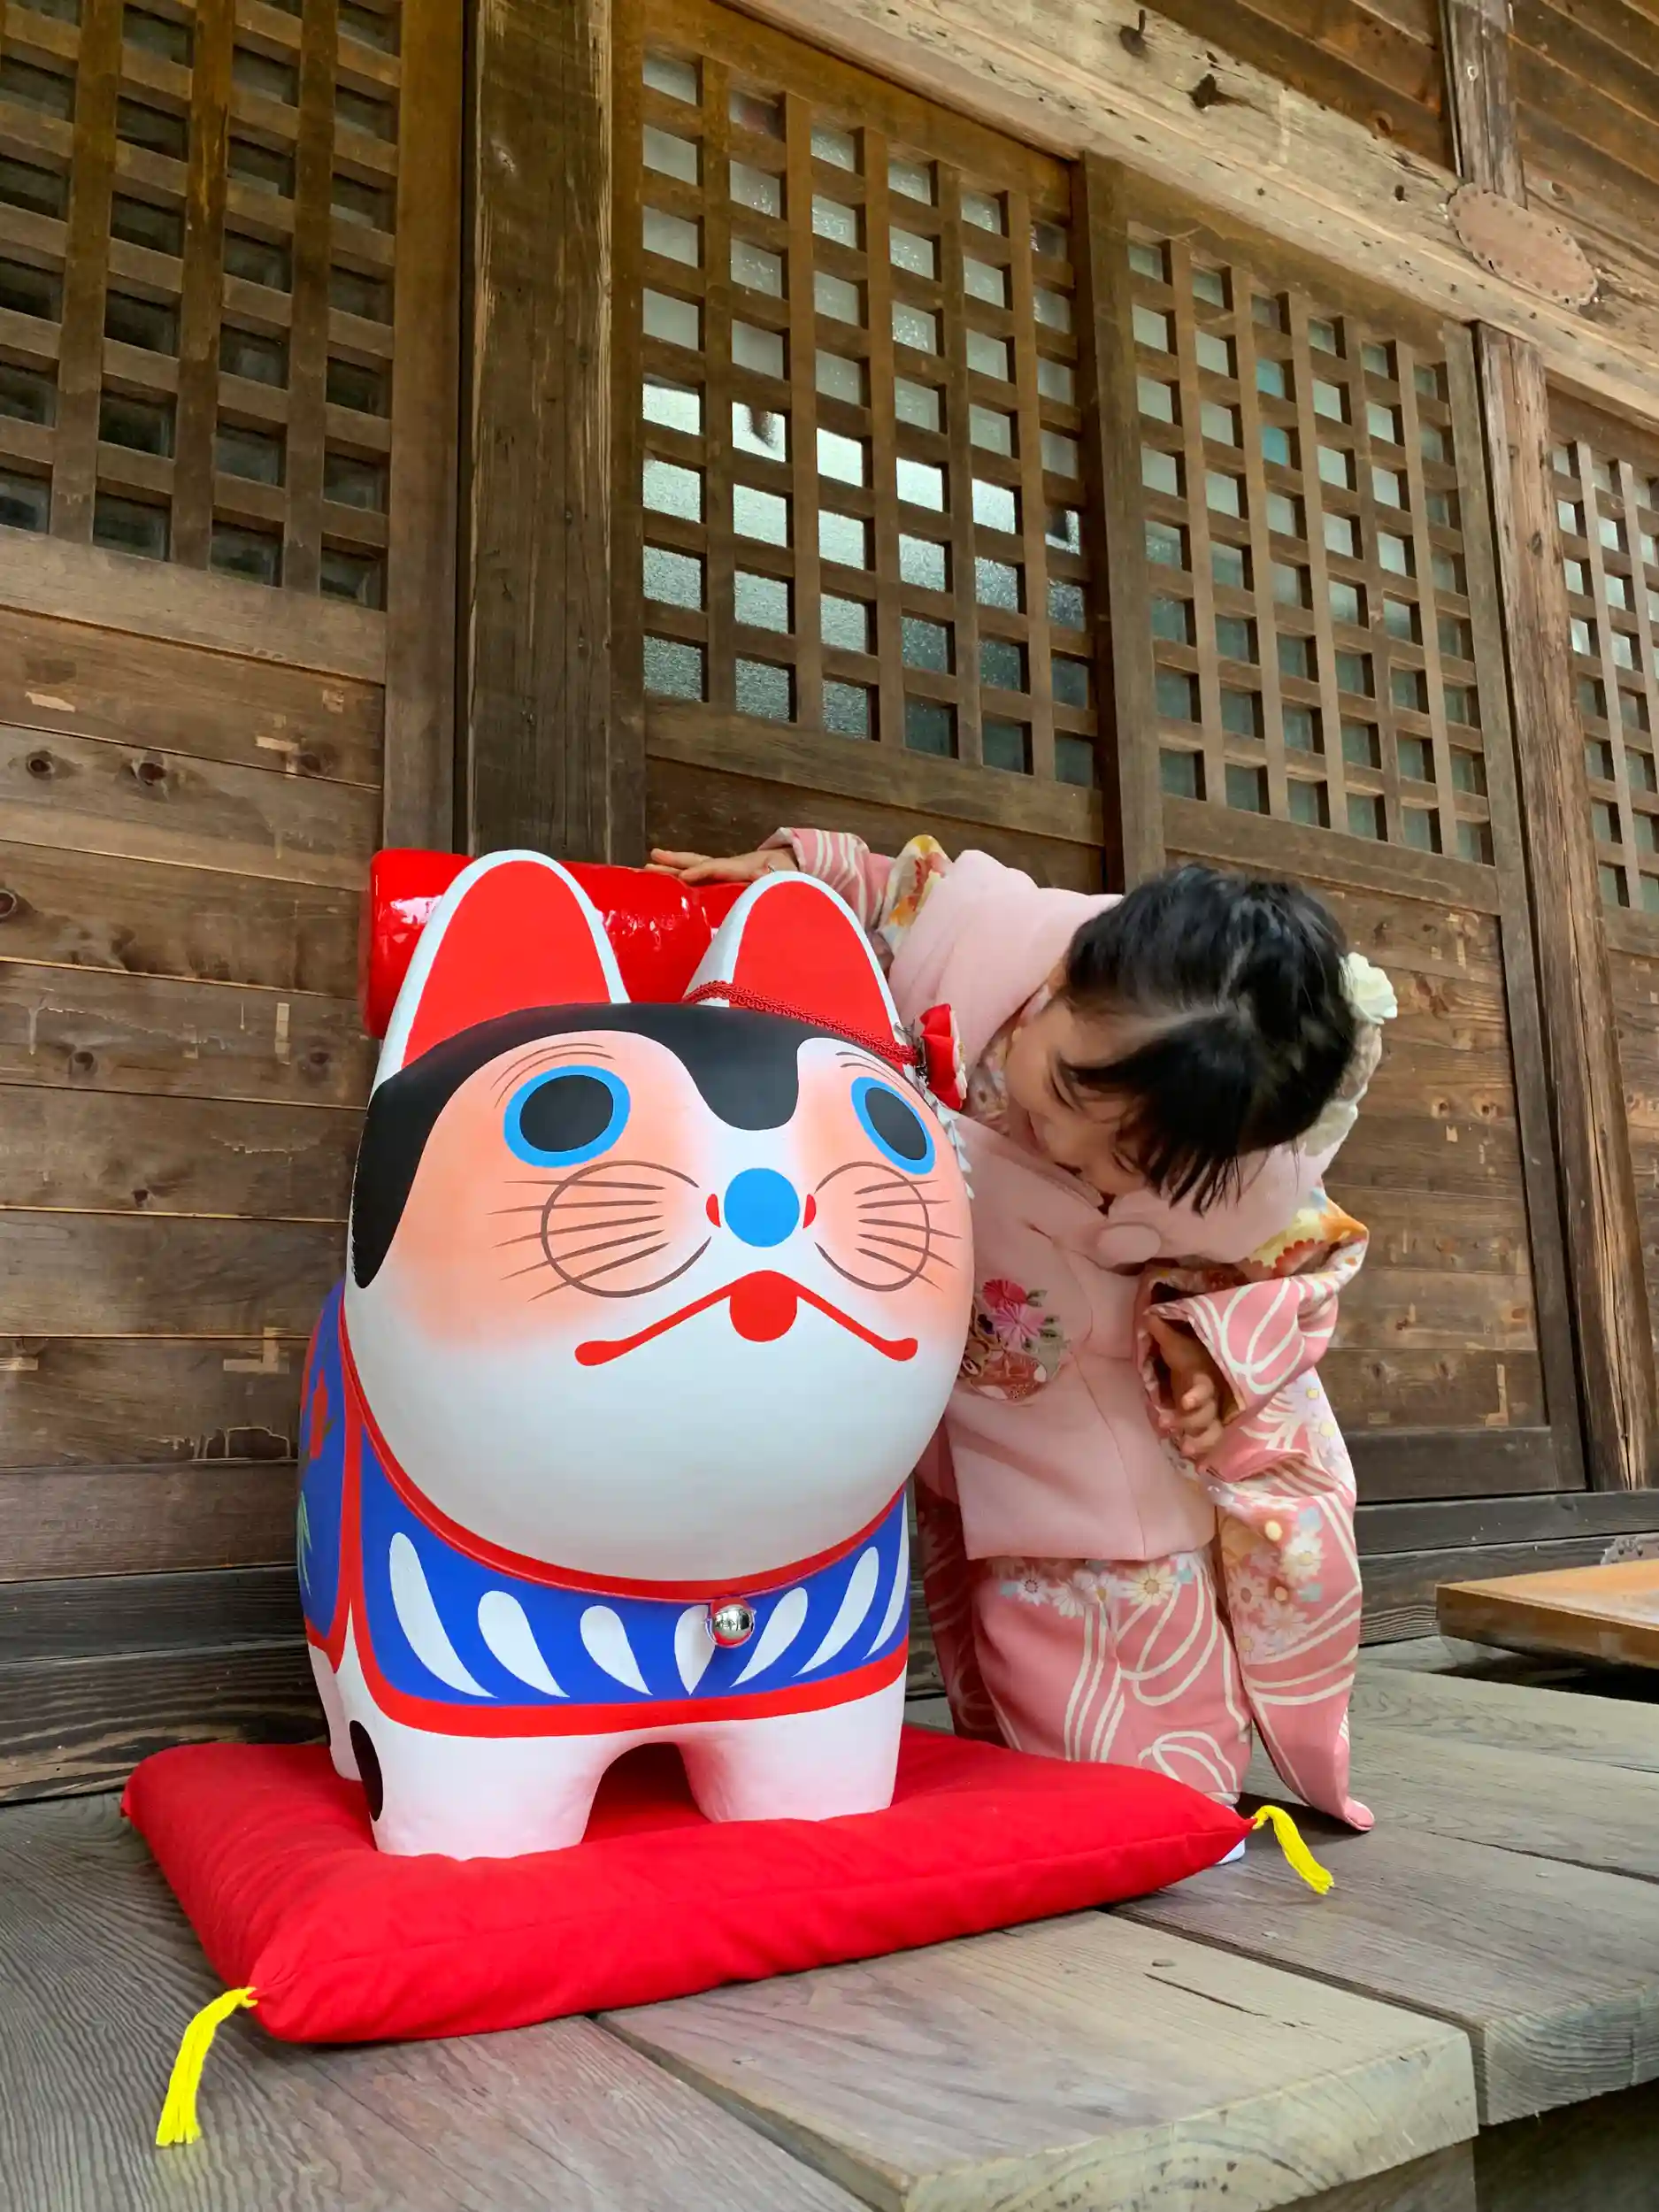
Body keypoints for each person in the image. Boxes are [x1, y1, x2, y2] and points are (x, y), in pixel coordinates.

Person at [651, 830, 1395, 1825]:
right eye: (1064, 1092)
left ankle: (1170, 1807)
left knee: (1133, 1724)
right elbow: (891, 889)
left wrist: (1211, 1353)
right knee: (986, 1648)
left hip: (1094, 1433)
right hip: (956, 1390)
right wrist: (798, 870)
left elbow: (1290, 1266)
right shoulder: (981, 936)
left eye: (1125, 1163)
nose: (1067, 1142)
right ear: (1065, 976)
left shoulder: (1248, 1176)